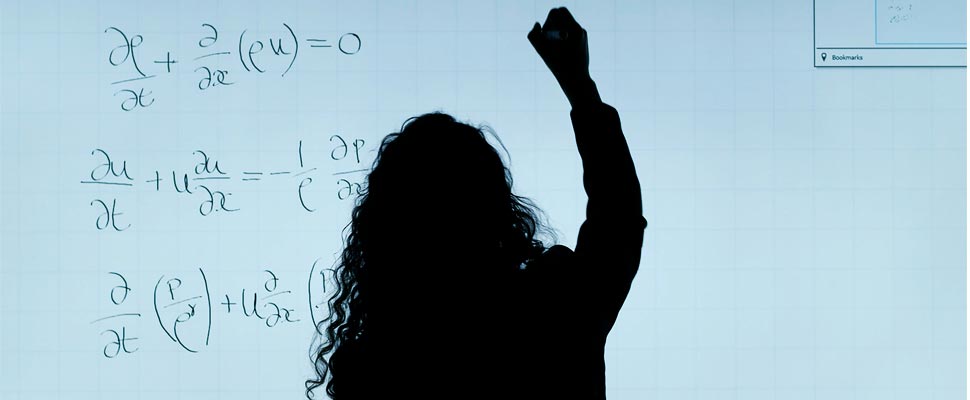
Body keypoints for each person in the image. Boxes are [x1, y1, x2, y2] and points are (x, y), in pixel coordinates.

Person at [306, 7, 646, 399]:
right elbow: (617, 217)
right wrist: (578, 84)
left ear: (384, 226)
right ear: (496, 207)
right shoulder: (553, 307)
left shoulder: (376, 361)